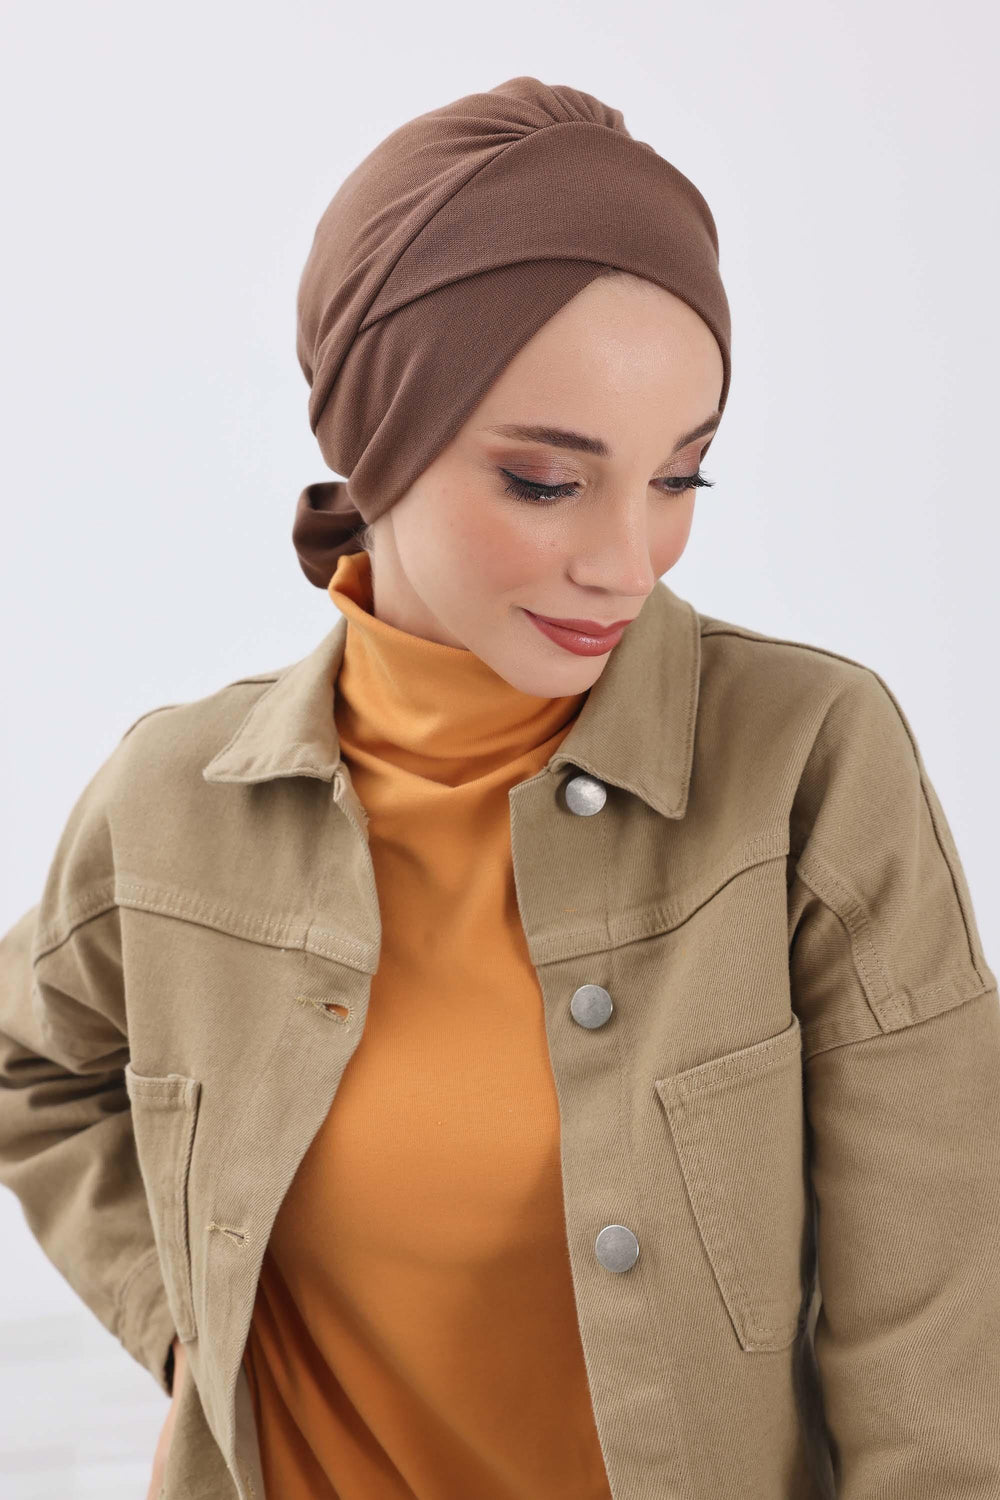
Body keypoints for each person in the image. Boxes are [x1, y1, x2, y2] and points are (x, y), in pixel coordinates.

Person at [1, 75, 998, 1500]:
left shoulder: (808, 763)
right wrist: (192, 1336)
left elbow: (938, 1352)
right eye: (545, 481)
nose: (630, 562)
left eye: (682, 479)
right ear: (378, 443)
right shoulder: (175, 801)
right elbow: (29, 1070)